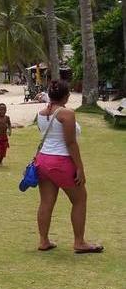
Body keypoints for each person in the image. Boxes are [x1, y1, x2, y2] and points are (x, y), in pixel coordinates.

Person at [34, 80, 103, 253]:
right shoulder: (67, 114)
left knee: (46, 202)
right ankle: (79, 242)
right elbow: (71, 143)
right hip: (61, 161)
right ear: (66, 96)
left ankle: (44, 241)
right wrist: (80, 168)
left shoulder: (42, 113)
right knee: (80, 200)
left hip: (43, 160)